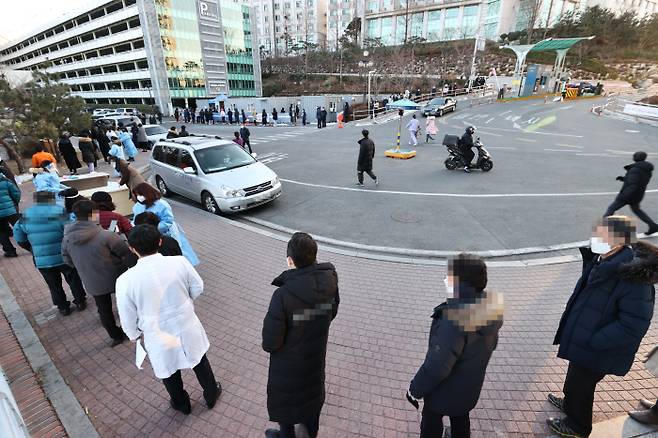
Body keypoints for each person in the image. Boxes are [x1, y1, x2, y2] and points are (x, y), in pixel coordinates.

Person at [547, 216, 655, 438]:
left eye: (602, 234)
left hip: (599, 347)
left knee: (582, 386)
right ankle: (569, 403)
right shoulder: (602, 259)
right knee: (575, 378)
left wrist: (595, 340)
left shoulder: (632, 278)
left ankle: (577, 426)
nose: (596, 238)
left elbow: (633, 325)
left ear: (619, 241)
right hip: (586, 337)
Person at [116, 224, 222, 415]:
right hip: (186, 323)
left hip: (156, 332)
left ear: (132, 248)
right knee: (199, 359)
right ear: (160, 241)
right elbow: (197, 287)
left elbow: (127, 314)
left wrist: (133, 334)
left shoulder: (125, 280)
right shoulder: (179, 262)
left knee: (169, 369)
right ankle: (211, 394)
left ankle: (182, 404)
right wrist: (184, 302)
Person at [407, 254, 503, 438]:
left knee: (431, 420)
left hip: (443, 391)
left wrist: (415, 389)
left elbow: (437, 366)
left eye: (450, 277)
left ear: (460, 284)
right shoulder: (489, 310)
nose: (446, 280)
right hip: (469, 388)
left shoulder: (454, 319)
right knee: (460, 418)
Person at [263, 232, 339, 438]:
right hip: (315, 362)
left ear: (290, 261)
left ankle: (284, 435)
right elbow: (331, 312)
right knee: (311, 404)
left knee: (287, 411)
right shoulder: (330, 282)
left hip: (288, 369)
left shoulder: (283, 296)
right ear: (314, 256)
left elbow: (270, 343)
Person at [61, 200, 134, 347]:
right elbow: (125, 253)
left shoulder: (67, 238)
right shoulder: (105, 235)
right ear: (95, 214)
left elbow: (67, 261)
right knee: (126, 305)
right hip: (117, 276)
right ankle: (131, 330)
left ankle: (115, 336)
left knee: (103, 310)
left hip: (91, 280)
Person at [13, 191, 87, 316]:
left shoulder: (25, 215)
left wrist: (32, 249)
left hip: (42, 259)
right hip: (64, 255)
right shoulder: (61, 212)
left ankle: (63, 307)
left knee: (53, 284)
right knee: (73, 278)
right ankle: (80, 301)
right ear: (52, 200)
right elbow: (71, 231)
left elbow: (19, 237)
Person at [131, 183, 199, 266]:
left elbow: (168, 221)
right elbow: (135, 219)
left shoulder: (162, 204)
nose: (138, 197)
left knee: (172, 251)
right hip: (147, 234)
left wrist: (153, 230)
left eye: (139, 194)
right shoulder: (137, 206)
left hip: (165, 233)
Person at [604, 151, 658, 235]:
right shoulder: (646, 169)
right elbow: (637, 180)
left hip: (628, 195)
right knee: (637, 211)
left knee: (611, 209)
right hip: (638, 195)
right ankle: (653, 226)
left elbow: (633, 184)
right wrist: (624, 178)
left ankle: (606, 229)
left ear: (636, 158)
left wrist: (623, 196)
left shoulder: (635, 169)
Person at [0, 171, 21, 257]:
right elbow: (16, 193)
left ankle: (10, 251)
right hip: (10, 210)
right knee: (21, 227)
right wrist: (14, 203)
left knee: (1, 232)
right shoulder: (4, 180)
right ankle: (31, 245)